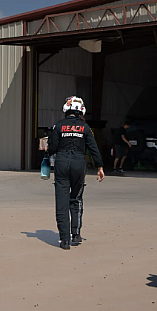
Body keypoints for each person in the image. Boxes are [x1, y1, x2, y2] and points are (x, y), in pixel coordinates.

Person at [47, 96, 105, 250]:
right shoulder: (85, 128)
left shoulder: (58, 126)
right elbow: (93, 148)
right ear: (81, 110)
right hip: (79, 164)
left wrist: (47, 147)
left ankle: (64, 240)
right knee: (76, 198)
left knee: (62, 202)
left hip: (62, 163)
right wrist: (99, 167)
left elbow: (52, 148)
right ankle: (76, 234)